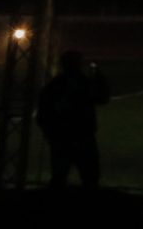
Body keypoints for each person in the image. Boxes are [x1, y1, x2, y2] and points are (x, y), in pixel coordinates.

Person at [35, 49, 110, 190]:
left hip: (62, 138)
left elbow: (42, 115)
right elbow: (103, 98)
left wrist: (51, 135)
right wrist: (99, 77)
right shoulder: (84, 83)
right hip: (83, 137)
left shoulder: (54, 85)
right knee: (90, 177)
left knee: (59, 177)